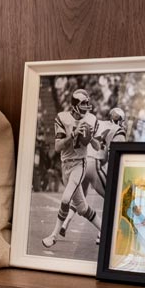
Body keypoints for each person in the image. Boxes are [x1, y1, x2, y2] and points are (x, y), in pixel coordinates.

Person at [42, 85, 97, 249]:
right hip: (65, 165)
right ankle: (108, 231)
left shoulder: (90, 119)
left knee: (66, 199)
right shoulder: (62, 118)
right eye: (83, 104)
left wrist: (90, 137)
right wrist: (72, 134)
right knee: (83, 208)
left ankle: (53, 236)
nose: (87, 107)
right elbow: (58, 147)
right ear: (74, 105)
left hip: (79, 164)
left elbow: (95, 145)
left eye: (88, 103)